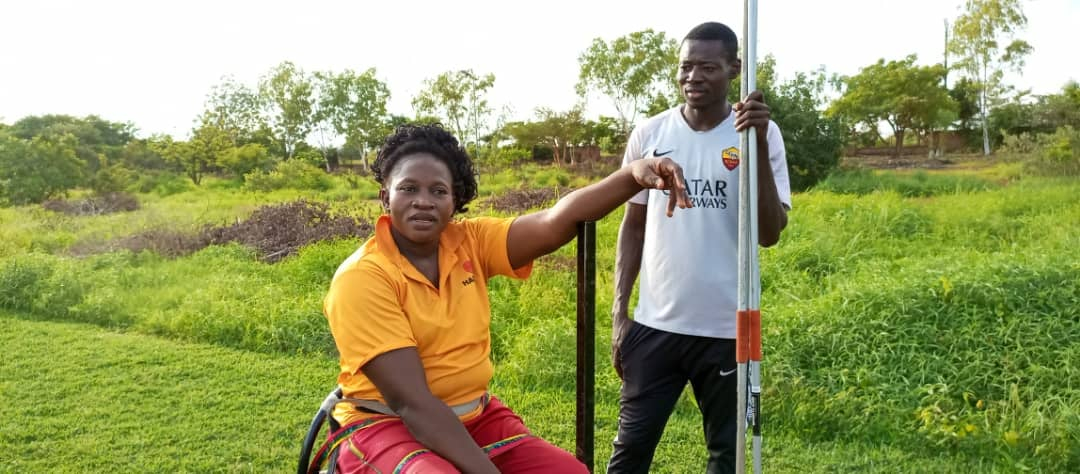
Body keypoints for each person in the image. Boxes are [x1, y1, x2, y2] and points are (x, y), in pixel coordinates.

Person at [322, 123, 692, 474]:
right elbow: (413, 405)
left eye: (438, 191)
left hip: (475, 418)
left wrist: (631, 175)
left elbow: (555, 221)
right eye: (408, 189)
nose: (423, 201)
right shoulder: (363, 277)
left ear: (456, 200)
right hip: (385, 423)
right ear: (385, 195)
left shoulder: (470, 242)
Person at [607, 21, 792, 473]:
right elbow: (632, 227)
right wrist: (619, 314)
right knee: (629, 452)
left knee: (725, 457)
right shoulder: (649, 134)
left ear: (734, 69)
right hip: (654, 327)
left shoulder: (756, 135)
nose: (693, 77)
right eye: (686, 67)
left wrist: (758, 143)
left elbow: (769, 233)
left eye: (707, 67)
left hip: (730, 329)